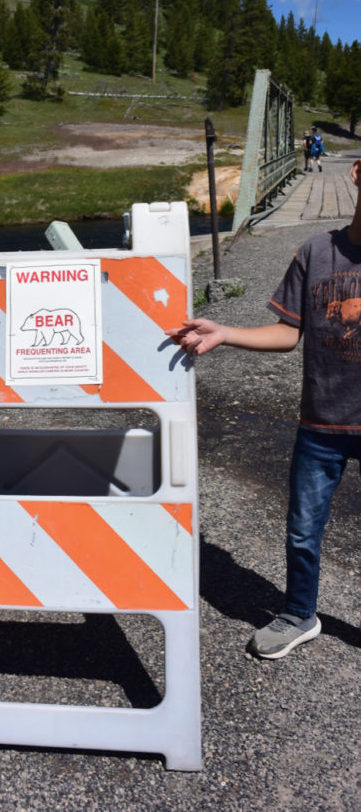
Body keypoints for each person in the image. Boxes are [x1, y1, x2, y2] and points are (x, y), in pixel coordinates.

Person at [167, 157, 361, 660]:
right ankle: (300, 613)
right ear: (358, 173)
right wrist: (226, 334)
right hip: (323, 422)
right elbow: (288, 332)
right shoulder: (316, 253)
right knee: (302, 529)